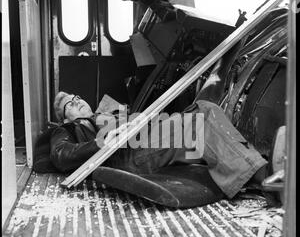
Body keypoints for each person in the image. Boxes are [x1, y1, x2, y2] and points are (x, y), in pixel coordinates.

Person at [50, 91, 281, 202]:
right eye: (69, 104)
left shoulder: (108, 112)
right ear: (64, 118)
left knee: (204, 107)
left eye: (77, 96)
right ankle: (268, 178)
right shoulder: (69, 129)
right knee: (199, 123)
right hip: (131, 154)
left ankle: (258, 171)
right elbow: (60, 155)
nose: (77, 100)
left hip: (147, 137)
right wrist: (102, 141)